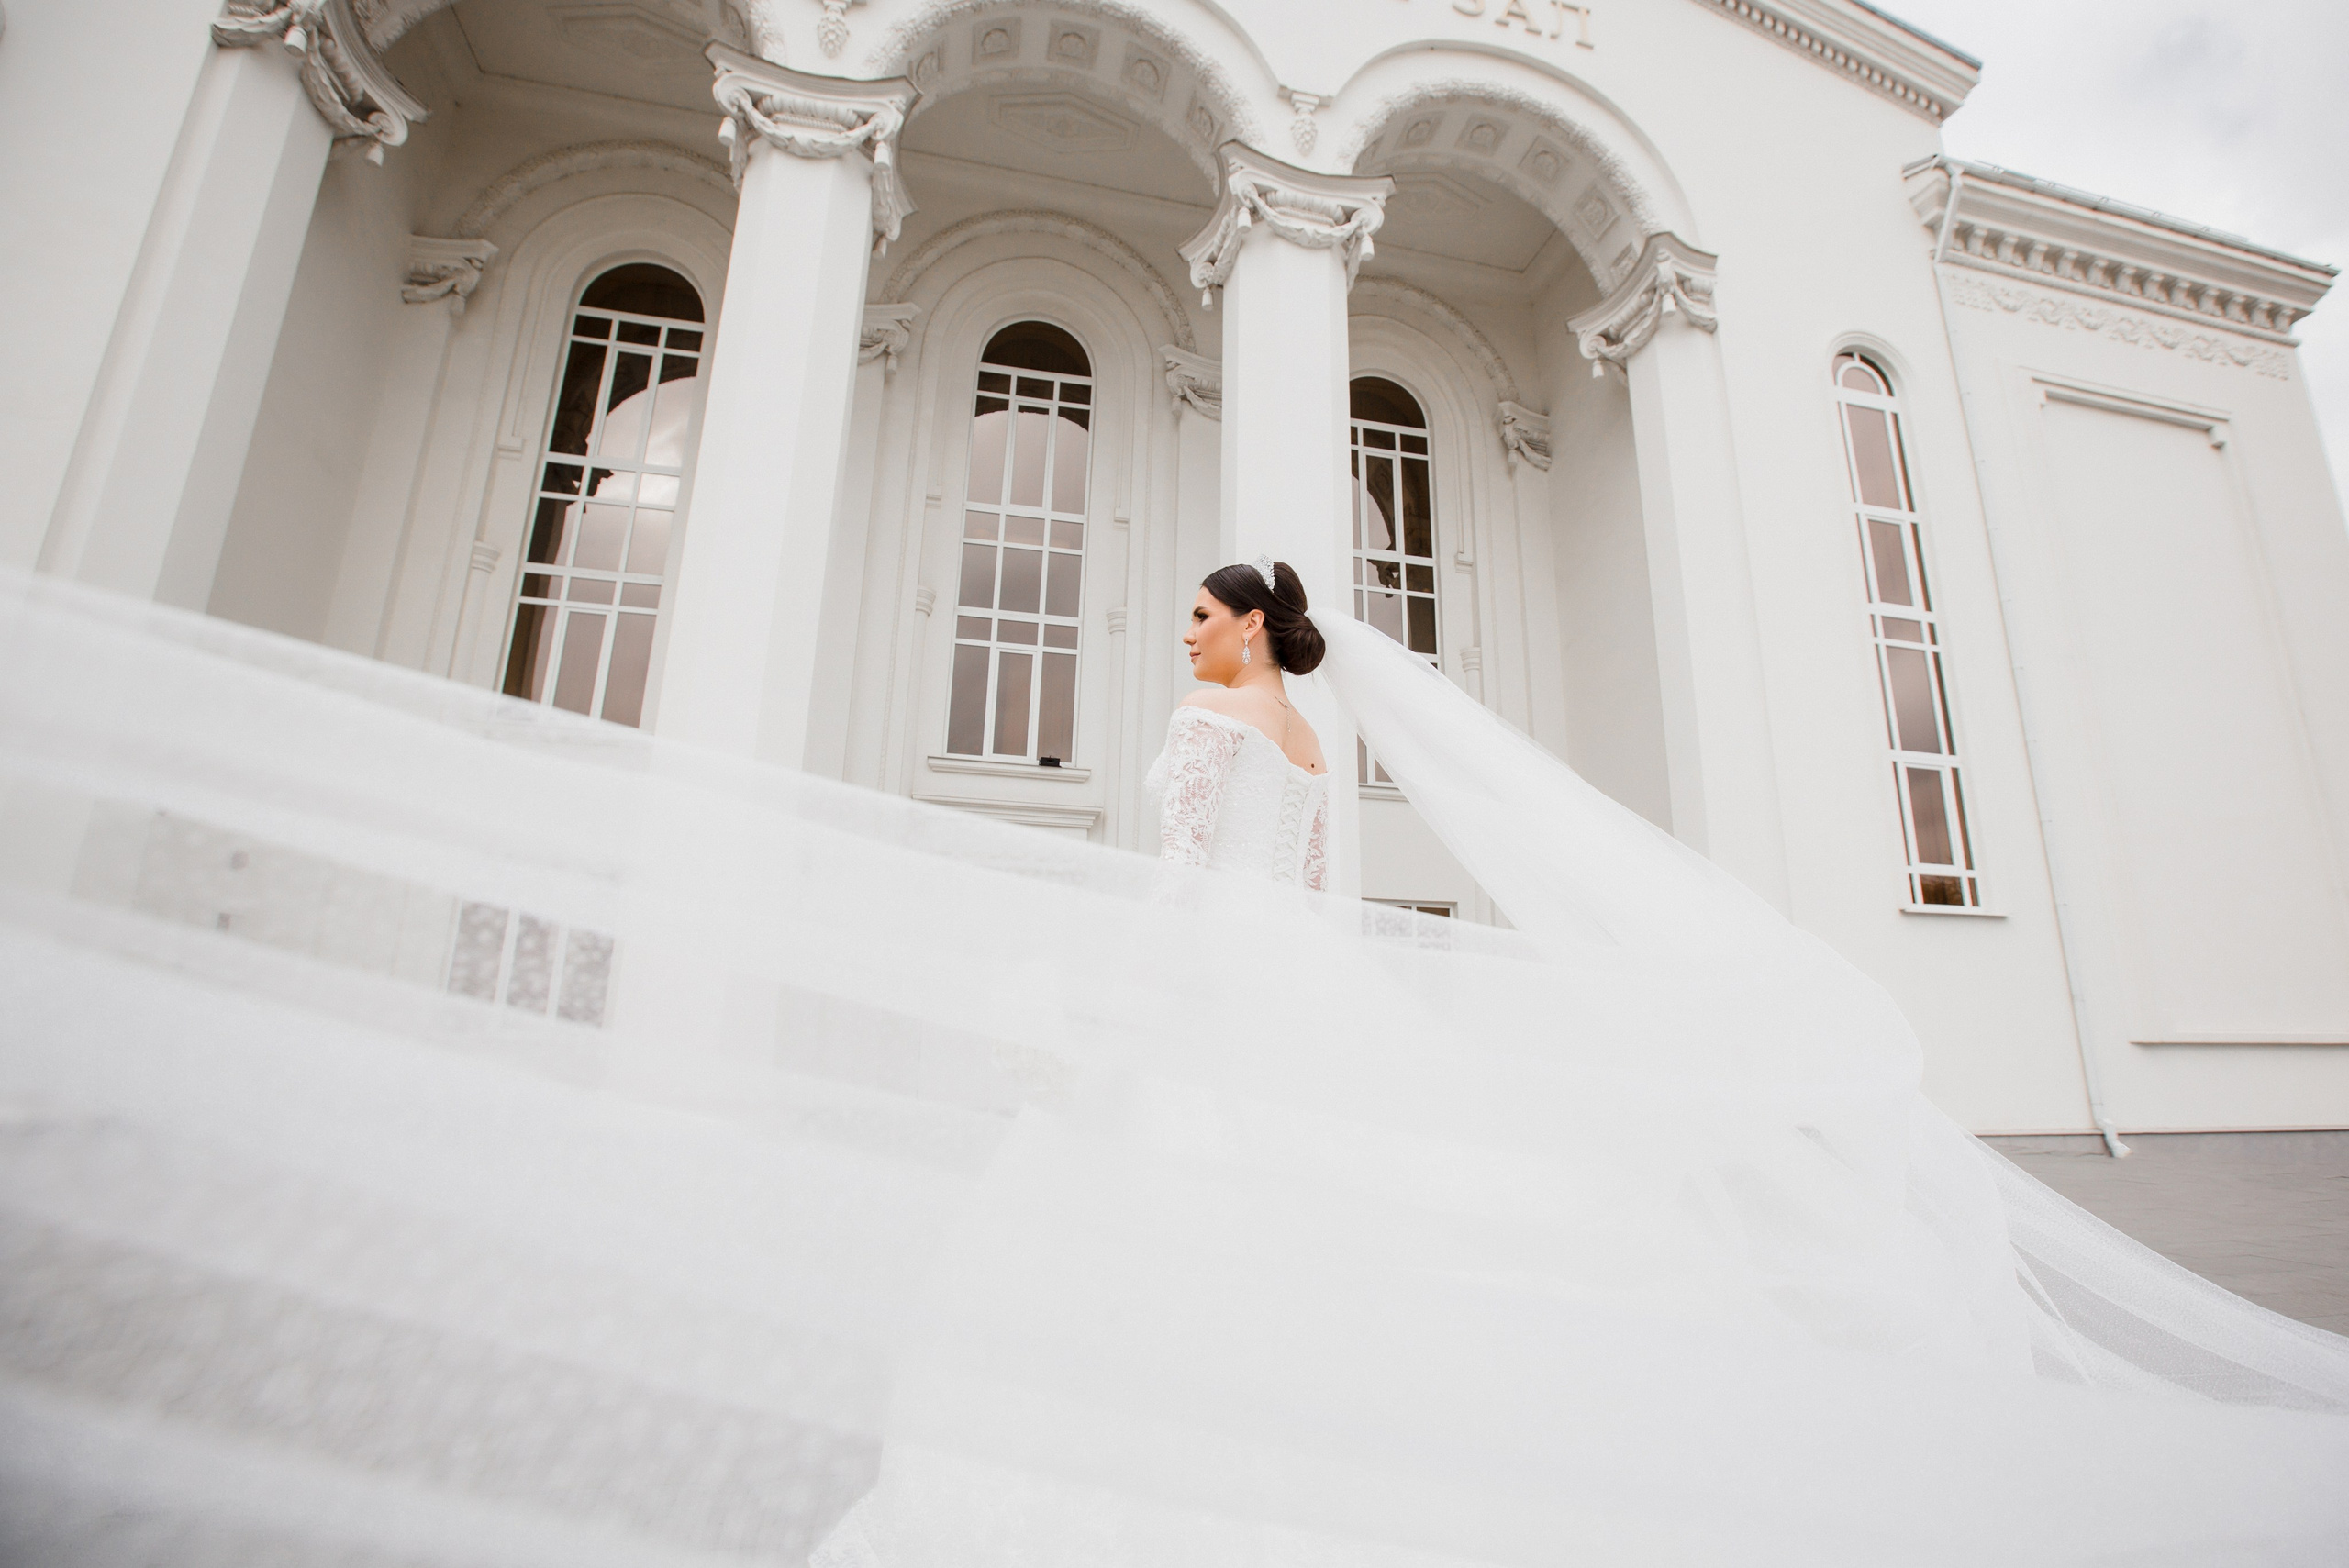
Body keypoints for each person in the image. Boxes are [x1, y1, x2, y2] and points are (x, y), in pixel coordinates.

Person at [2, 562, 2346, 1566]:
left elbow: (1186, 891)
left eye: (1208, 605)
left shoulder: (1219, 725)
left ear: (1242, 623)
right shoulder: (1318, 736)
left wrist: (1095, 1009)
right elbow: (1298, 905)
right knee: (1326, 1251)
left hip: (1205, 1012)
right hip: (1282, 1005)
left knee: (1132, 1254)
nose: (1194, 629)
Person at [1147, 556, 1329, 888]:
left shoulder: (1207, 711)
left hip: (1216, 928)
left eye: (1201, 617)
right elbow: (1315, 884)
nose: (1189, 636)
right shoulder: (1310, 740)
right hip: (1296, 933)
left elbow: (1183, 857)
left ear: (1250, 624)